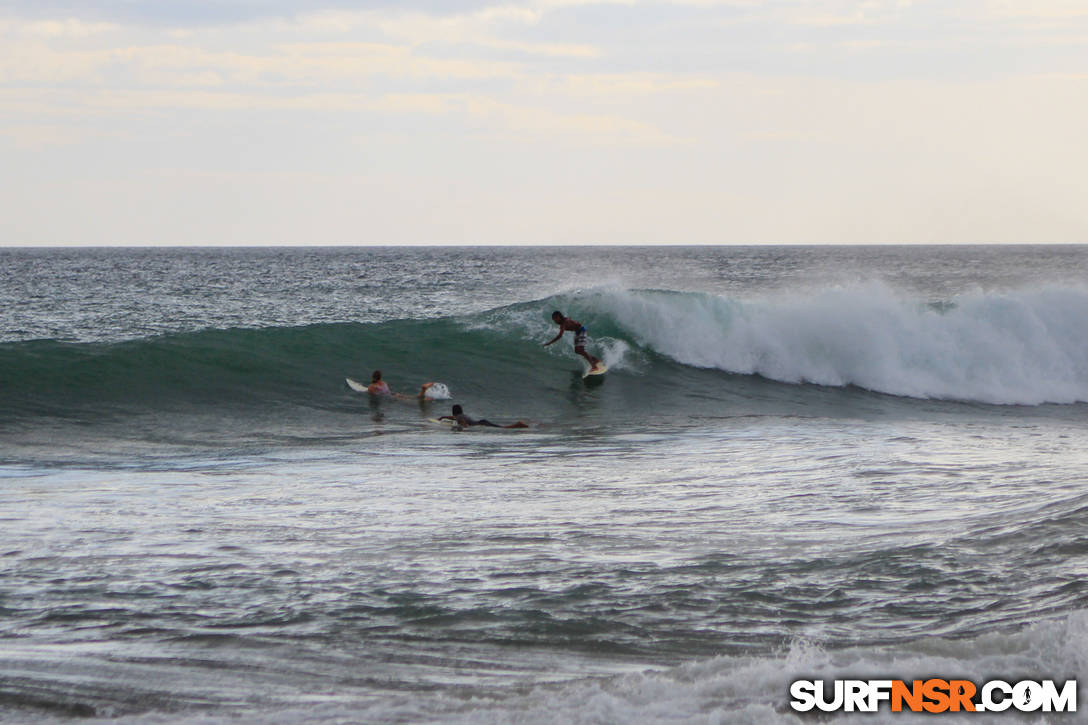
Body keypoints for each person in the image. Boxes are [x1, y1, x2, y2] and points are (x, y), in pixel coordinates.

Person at [439, 404, 528, 429]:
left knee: (503, 428)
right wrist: (442, 417)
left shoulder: (459, 417)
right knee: (501, 427)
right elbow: (453, 417)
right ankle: (519, 425)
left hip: (481, 424)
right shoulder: (461, 415)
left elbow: (463, 423)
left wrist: (463, 427)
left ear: (453, 412)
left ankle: (518, 424)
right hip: (481, 422)